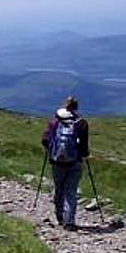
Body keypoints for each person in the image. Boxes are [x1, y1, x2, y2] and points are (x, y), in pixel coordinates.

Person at [40, 97, 90, 230]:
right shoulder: (81, 123)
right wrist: (84, 155)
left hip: (57, 162)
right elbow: (84, 147)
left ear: (65, 105)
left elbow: (45, 140)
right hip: (75, 162)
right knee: (71, 191)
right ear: (76, 107)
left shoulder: (55, 121)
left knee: (59, 188)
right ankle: (70, 221)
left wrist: (51, 150)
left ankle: (59, 216)